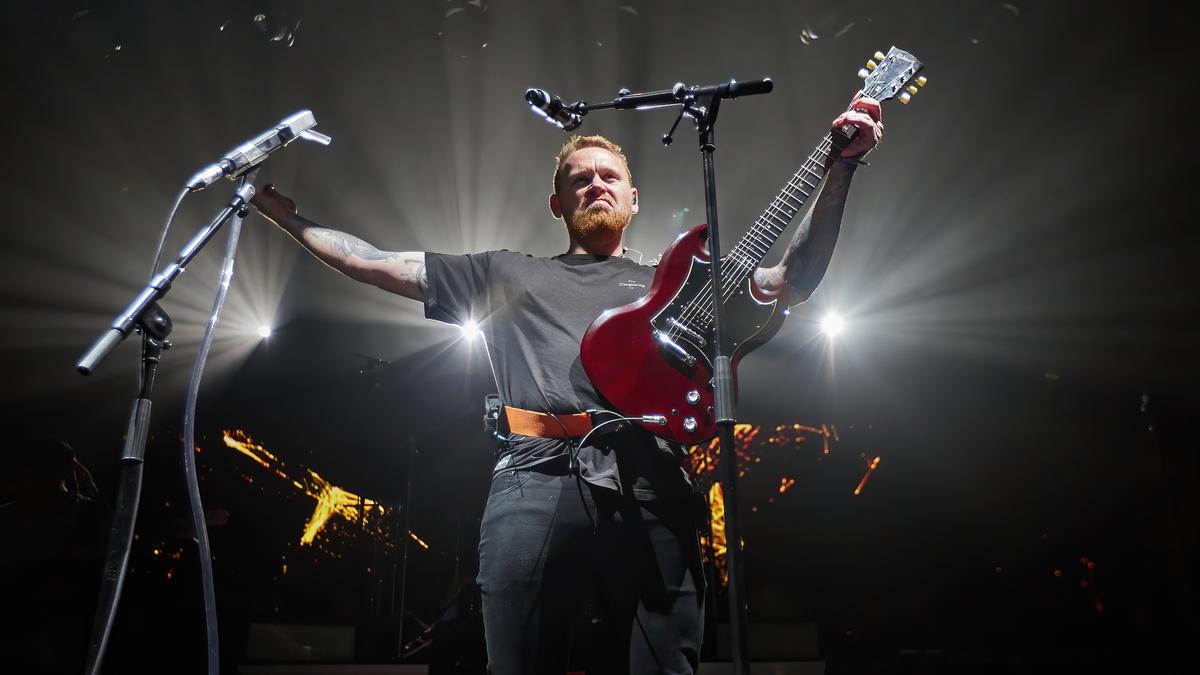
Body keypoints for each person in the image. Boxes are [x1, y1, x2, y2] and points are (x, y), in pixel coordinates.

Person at [250, 95, 883, 674]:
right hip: (538, 473)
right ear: (558, 205)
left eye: (609, 177)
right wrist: (287, 218)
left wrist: (842, 169)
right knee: (520, 660)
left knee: (668, 661)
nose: (596, 185)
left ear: (632, 198)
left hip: (654, 478)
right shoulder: (506, 272)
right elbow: (373, 262)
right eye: (579, 180)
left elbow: (791, 278)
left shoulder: (684, 281)